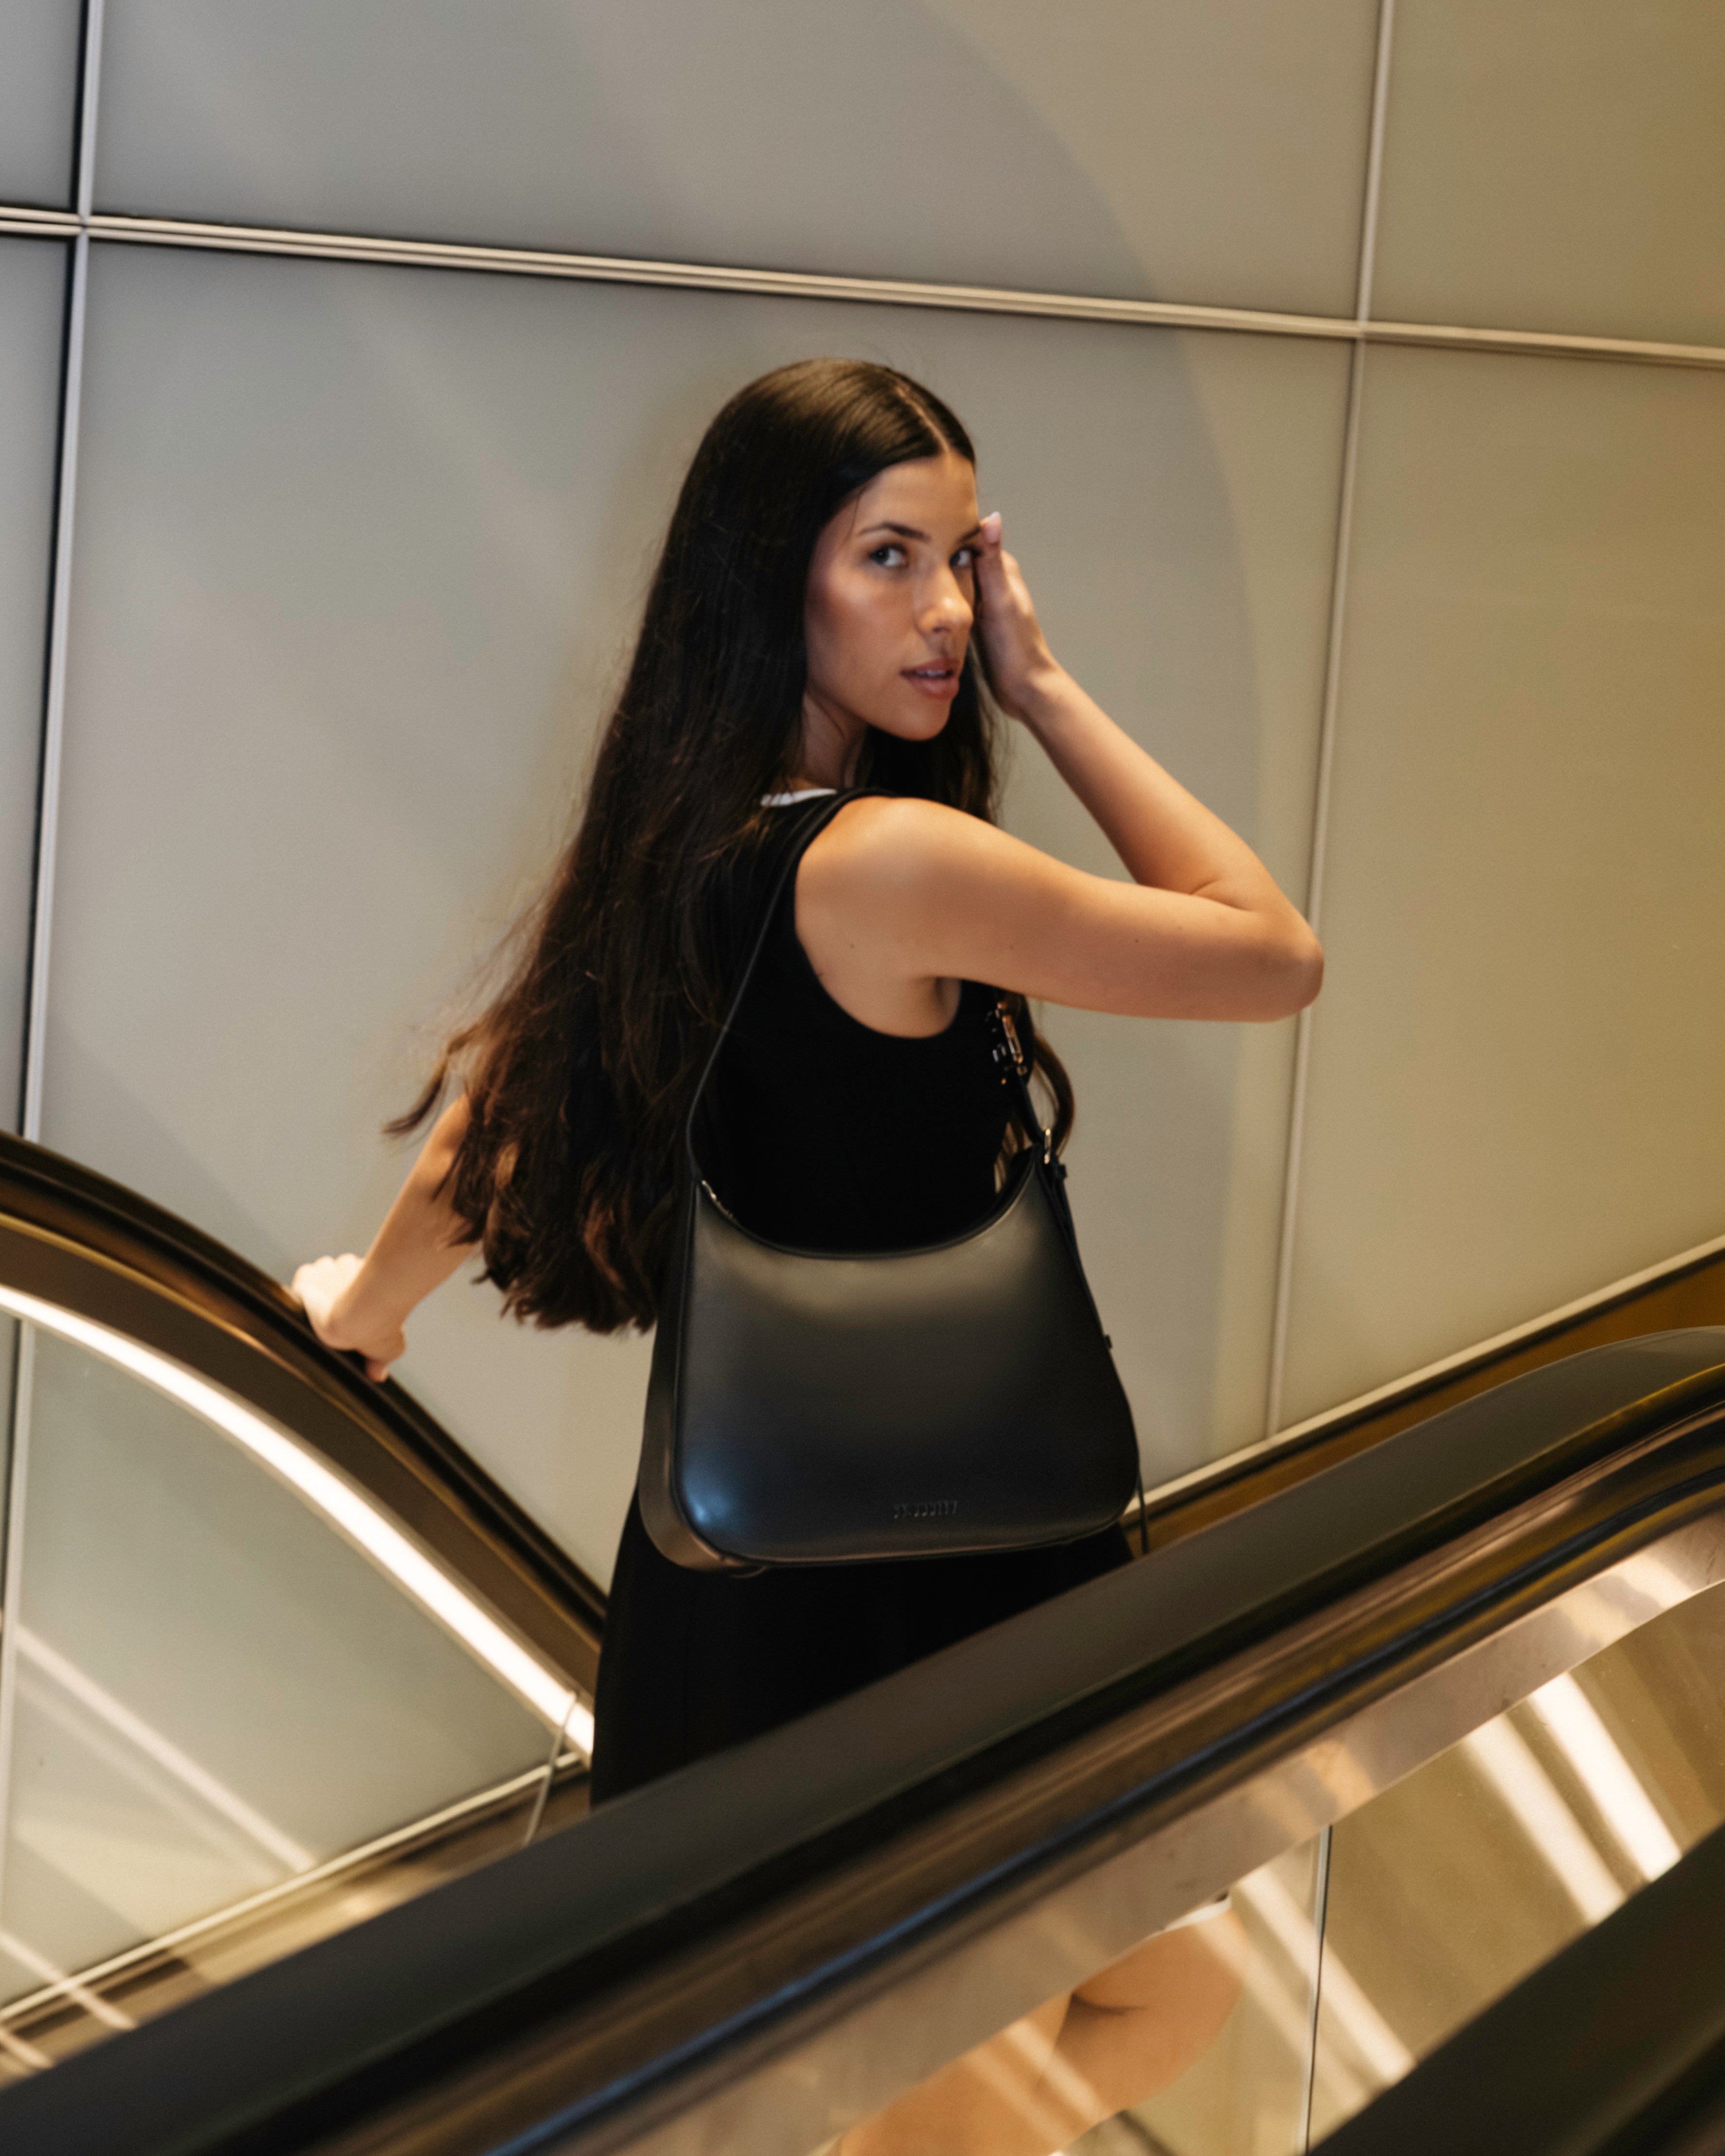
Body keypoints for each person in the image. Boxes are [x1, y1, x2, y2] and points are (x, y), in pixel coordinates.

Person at [292, 358, 1317, 2127]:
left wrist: (363, 1310)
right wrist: (1049, 691)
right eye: (886, 560)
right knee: (1035, 2031)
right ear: (773, 575)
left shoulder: (675, 850)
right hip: (921, 1579)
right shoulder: (888, 859)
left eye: (963, 564)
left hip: (760, 1577)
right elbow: (1265, 949)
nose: (944, 616)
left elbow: (508, 1114)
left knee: (1141, 1983)